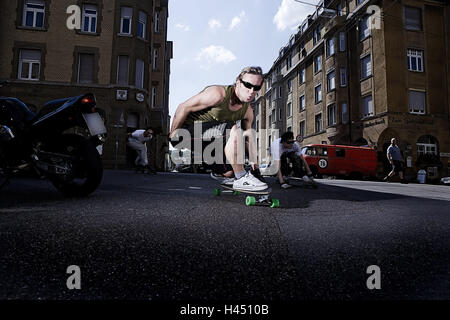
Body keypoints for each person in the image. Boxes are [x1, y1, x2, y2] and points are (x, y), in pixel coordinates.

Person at [169, 66, 267, 191]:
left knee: (229, 172)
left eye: (256, 88)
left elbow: (248, 139)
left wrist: (255, 167)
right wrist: (173, 133)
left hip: (209, 142)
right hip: (185, 132)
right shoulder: (218, 94)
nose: (252, 91)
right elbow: (183, 107)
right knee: (231, 129)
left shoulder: (247, 111)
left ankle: (224, 175)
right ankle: (242, 177)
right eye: (248, 85)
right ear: (238, 83)